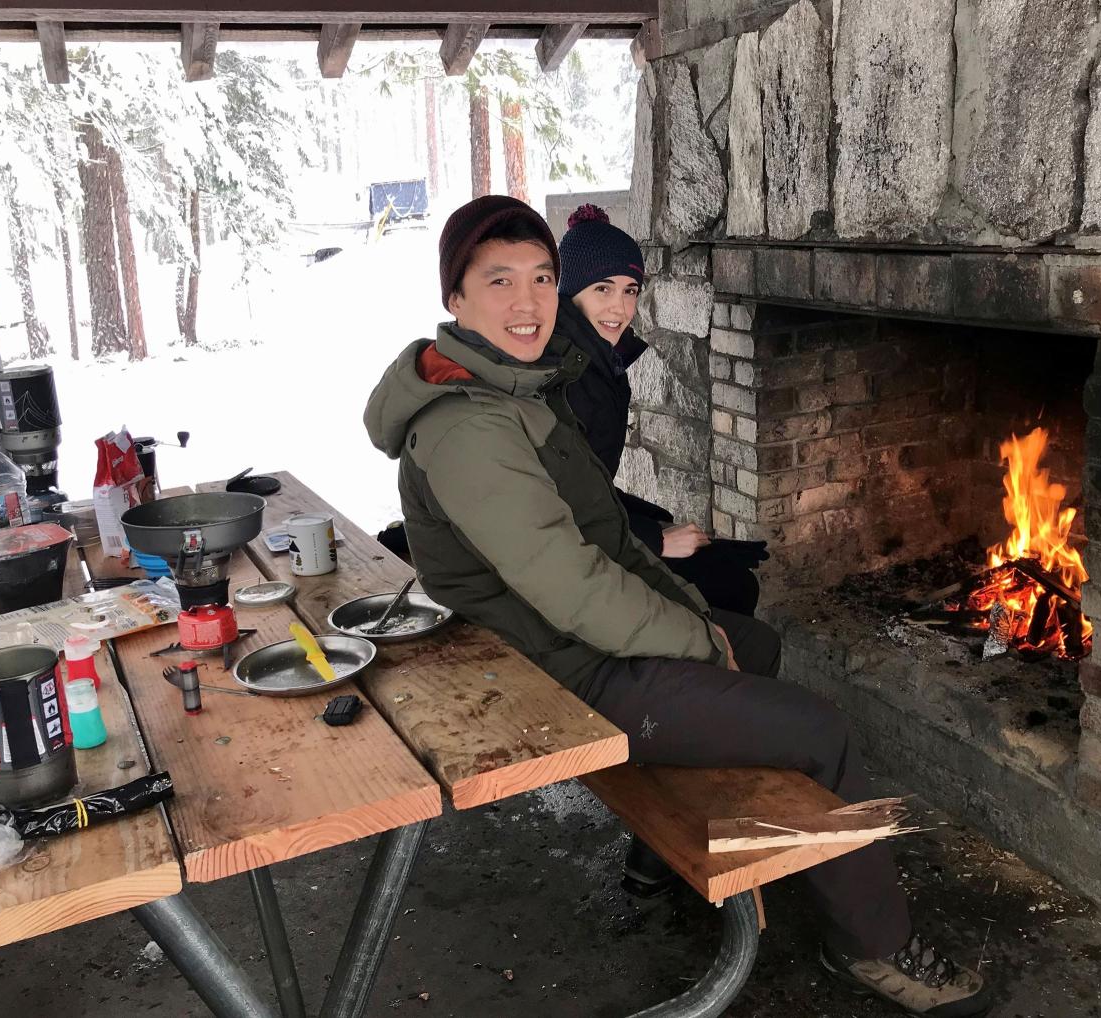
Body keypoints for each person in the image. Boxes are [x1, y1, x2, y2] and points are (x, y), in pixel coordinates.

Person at [363, 195, 990, 1016]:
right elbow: (572, 584)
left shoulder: (518, 389)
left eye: (543, 278)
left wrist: (695, 616)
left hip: (559, 640)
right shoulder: (469, 425)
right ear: (456, 298)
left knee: (752, 643)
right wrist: (692, 640)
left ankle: (669, 847)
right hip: (548, 671)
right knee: (819, 730)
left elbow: (609, 543)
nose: (528, 302)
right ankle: (875, 949)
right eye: (500, 280)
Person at [555, 204, 766, 616]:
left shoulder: (599, 364)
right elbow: (559, 502)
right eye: (603, 288)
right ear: (571, 291)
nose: (619, 308)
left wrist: (657, 521)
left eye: (630, 290)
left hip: (598, 534)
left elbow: (589, 481)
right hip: (572, 560)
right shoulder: (566, 379)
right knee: (732, 588)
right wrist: (654, 538)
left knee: (726, 573)